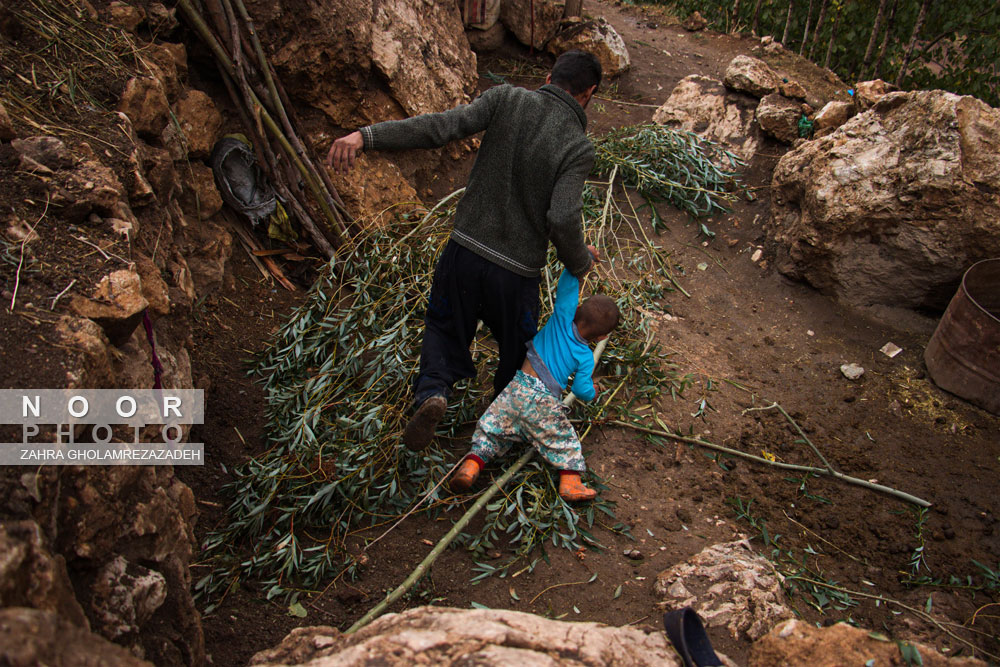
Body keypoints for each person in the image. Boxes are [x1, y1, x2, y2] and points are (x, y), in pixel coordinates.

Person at [327, 50, 603, 451]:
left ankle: (433, 391)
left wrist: (366, 136)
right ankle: (498, 429)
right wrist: (579, 261)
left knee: (443, 327)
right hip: (515, 276)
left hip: (464, 252)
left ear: (548, 76)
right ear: (588, 94)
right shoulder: (578, 148)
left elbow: (440, 127)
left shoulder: (506, 98)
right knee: (519, 351)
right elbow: (562, 217)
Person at [449, 267, 619, 501]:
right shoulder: (585, 356)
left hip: (516, 387)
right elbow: (581, 389)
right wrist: (594, 393)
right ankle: (571, 482)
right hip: (543, 400)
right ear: (601, 338)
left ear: (577, 310)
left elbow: (568, 286)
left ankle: (471, 465)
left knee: (492, 430)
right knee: (563, 441)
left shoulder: (561, 316)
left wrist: (583, 261)